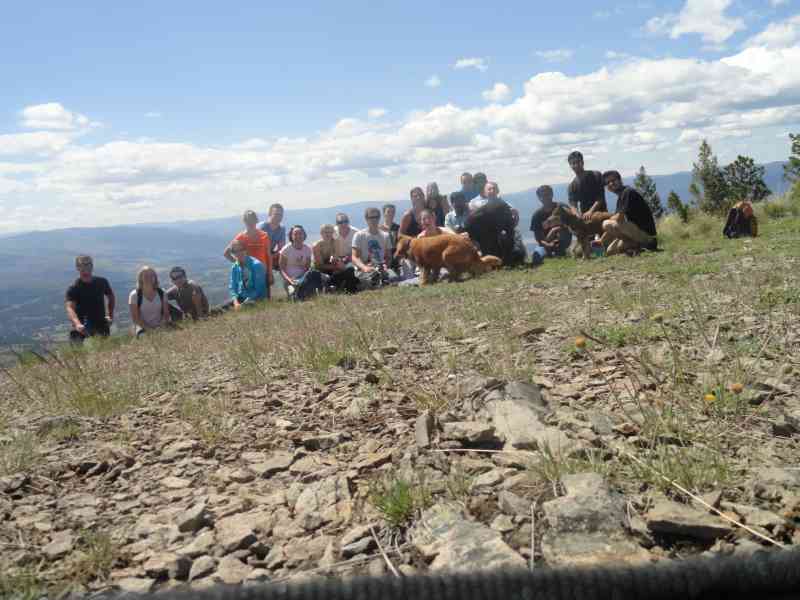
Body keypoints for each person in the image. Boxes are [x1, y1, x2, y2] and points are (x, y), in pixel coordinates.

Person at [601, 170, 657, 256]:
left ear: (620, 180)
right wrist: (601, 240)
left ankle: (644, 243)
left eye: (613, 180)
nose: (611, 183)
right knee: (610, 251)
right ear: (607, 187)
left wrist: (610, 220)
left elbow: (618, 218)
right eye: (608, 182)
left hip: (646, 234)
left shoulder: (628, 192)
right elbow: (617, 219)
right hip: (635, 232)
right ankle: (638, 246)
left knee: (605, 223)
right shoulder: (621, 196)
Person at [65, 255, 115, 343]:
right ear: (77, 267)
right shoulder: (73, 288)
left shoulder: (102, 282)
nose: (86, 266)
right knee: (76, 352)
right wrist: (77, 323)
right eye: (82, 264)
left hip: (100, 322)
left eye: (88, 264)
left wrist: (110, 316)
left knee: (104, 351)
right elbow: (70, 308)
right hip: (81, 324)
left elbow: (111, 296)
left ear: (92, 266)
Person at [224, 210, 274, 298]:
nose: (251, 222)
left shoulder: (264, 235)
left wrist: (270, 273)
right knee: (251, 300)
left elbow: (268, 255)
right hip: (248, 274)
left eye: (252, 220)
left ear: (256, 220)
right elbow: (227, 253)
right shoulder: (241, 237)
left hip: (263, 272)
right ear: (244, 221)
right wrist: (239, 264)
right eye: (248, 220)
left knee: (265, 300)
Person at [280, 225, 325, 301]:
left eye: (300, 233)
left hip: (303, 278)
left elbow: (307, 267)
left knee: (318, 275)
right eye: (295, 234)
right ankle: (297, 292)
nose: (298, 236)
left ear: (304, 235)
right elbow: (282, 269)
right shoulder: (286, 249)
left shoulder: (307, 249)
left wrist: (303, 277)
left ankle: (306, 292)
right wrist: (290, 280)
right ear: (291, 236)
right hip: (291, 279)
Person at [352, 207, 394, 287]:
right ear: (366, 219)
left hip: (380, 267)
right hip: (364, 268)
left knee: (393, 278)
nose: (374, 220)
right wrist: (364, 267)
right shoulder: (359, 235)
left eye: (376, 217)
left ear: (379, 218)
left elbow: (389, 257)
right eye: (371, 218)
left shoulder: (385, 236)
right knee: (372, 280)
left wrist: (386, 265)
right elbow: (354, 257)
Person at [313, 224, 359, 293]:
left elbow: (336, 258)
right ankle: (347, 288)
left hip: (333, 269)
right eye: (325, 232)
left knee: (350, 269)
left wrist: (340, 265)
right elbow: (320, 266)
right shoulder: (317, 246)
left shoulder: (336, 242)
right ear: (321, 233)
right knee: (348, 272)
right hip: (322, 271)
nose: (328, 234)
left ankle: (348, 289)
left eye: (330, 232)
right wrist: (337, 267)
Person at [530, 185, 573, 257]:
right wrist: (547, 245)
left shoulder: (561, 207)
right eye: (542, 196)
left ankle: (560, 250)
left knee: (562, 234)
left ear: (552, 194)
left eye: (547, 195)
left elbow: (572, 223)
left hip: (562, 239)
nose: (545, 198)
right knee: (536, 256)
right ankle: (552, 252)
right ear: (539, 198)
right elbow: (538, 238)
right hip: (546, 242)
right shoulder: (536, 215)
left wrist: (556, 229)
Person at [129, 266, 171, 336]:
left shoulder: (162, 293)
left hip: (161, 325)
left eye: (151, 275)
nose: (149, 278)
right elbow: (135, 318)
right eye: (146, 275)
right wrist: (150, 330)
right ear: (140, 278)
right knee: (144, 337)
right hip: (143, 327)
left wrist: (160, 327)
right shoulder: (134, 295)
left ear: (155, 278)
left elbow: (166, 314)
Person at [228, 239, 267, 309]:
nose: (238, 253)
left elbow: (258, 290)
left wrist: (243, 304)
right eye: (235, 251)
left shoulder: (256, 265)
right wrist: (235, 302)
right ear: (232, 253)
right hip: (241, 297)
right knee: (217, 311)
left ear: (245, 250)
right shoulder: (235, 266)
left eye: (241, 249)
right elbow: (233, 286)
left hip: (257, 299)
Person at [567, 151, 607, 217]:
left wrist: (591, 211)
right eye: (573, 163)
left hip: (601, 214)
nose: (576, 165)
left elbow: (600, 198)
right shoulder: (572, 186)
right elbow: (573, 205)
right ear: (570, 166)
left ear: (582, 162)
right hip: (585, 217)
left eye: (578, 162)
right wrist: (577, 214)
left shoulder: (596, 175)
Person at [258, 203, 286, 271]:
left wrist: (271, 257)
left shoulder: (281, 229)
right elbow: (257, 248)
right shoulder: (262, 227)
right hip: (257, 254)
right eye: (276, 214)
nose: (278, 217)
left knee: (285, 257)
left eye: (280, 215)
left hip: (270, 254)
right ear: (269, 214)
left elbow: (281, 248)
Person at [380, 203, 401, 271]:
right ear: (384, 213)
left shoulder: (398, 228)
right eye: (388, 212)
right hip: (383, 256)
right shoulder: (379, 229)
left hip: (396, 256)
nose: (391, 214)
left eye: (393, 212)